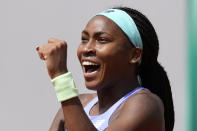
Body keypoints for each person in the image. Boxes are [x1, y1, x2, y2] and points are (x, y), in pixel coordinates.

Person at [36, 7, 174, 131]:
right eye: (84, 39)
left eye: (102, 39)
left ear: (134, 55)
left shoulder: (145, 104)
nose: (86, 49)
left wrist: (61, 78)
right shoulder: (79, 103)